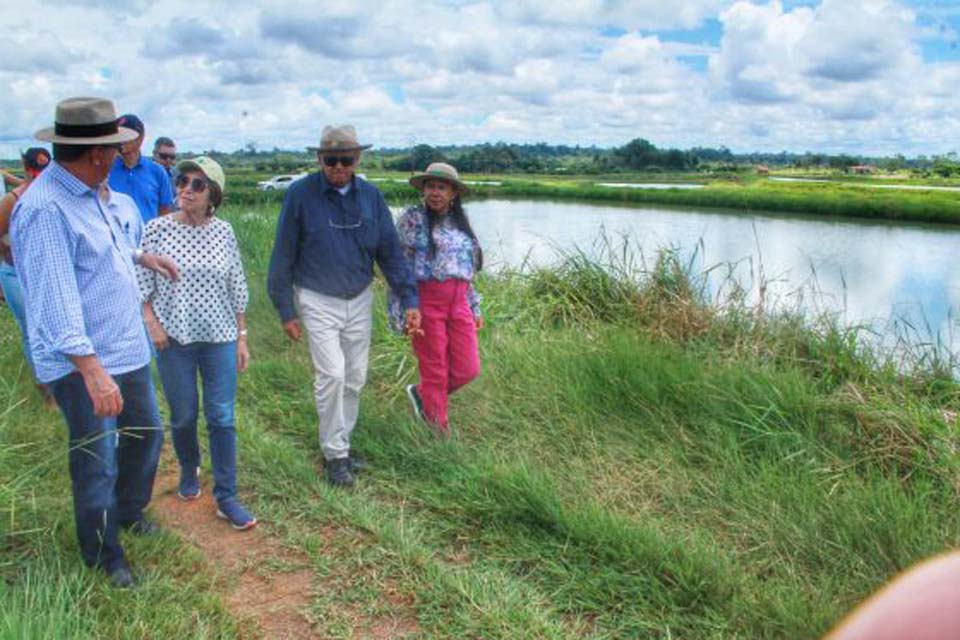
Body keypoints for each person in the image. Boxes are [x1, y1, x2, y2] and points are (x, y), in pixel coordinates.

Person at [11, 96, 180, 588]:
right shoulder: (45, 210)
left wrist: (141, 257)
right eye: (112, 147)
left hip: (124, 347)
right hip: (84, 360)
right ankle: (104, 555)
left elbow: (102, 251)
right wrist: (91, 370)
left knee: (146, 432)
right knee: (96, 458)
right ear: (98, 154)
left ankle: (128, 511)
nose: (117, 155)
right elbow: (55, 303)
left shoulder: (96, 194)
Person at [267, 124, 421, 487]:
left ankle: (342, 445)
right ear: (319, 159)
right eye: (330, 159)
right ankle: (335, 455)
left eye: (345, 160)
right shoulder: (300, 195)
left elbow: (391, 253)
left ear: (357, 159)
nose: (337, 166)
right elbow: (283, 254)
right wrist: (285, 309)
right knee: (332, 375)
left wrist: (409, 297)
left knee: (355, 378)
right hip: (317, 298)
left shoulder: (371, 197)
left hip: (359, 297)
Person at [138, 156, 256, 531]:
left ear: (212, 195)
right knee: (185, 414)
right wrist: (152, 323)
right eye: (182, 181)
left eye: (197, 184)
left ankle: (226, 495)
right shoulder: (156, 229)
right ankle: (189, 467)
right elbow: (141, 285)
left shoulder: (224, 232)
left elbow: (236, 285)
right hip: (175, 338)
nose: (186, 189)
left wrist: (242, 336)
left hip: (219, 337)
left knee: (221, 416)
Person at [391, 163, 483, 436]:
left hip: (459, 302)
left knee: (468, 369)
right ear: (423, 190)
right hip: (426, 301)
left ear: (453, 192)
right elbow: (399, 265)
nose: (435, 192)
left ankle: (422, 395)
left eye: (441, 187)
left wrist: (474, 304)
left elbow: (468, 269)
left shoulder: (462, 222)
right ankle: (437, 434)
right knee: (435, 369)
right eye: (430, 186)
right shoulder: (412, 218)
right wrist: (404, 308)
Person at [0, 148, 51, 390]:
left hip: (43, 273)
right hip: (15, 274)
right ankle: (46, 389)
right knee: (33, 331)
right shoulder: (12, 200)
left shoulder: (51, 197)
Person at [108, 113, 174, 223]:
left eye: (125, 135)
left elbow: (165, 211)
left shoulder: (157, 172)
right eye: (117, 135)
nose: (120, 140)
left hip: (148, 238)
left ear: (140, 138)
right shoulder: (106, 170)